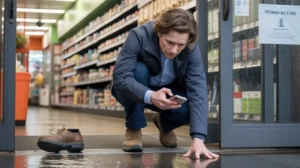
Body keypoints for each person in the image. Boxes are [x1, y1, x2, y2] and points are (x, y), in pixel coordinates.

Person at [111, 8, 219, 159]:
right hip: (140, 87)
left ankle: (165, 124)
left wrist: (199, 138)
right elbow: (121, 76)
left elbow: (198, 88)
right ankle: (134, 128)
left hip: (169, 90)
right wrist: (150, 95)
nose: (174, 50)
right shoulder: (139, 35)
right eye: (170, 42)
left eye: (180, 45)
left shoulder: (190, 47)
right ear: (160, 32)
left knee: (189, 104)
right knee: (138, 71)